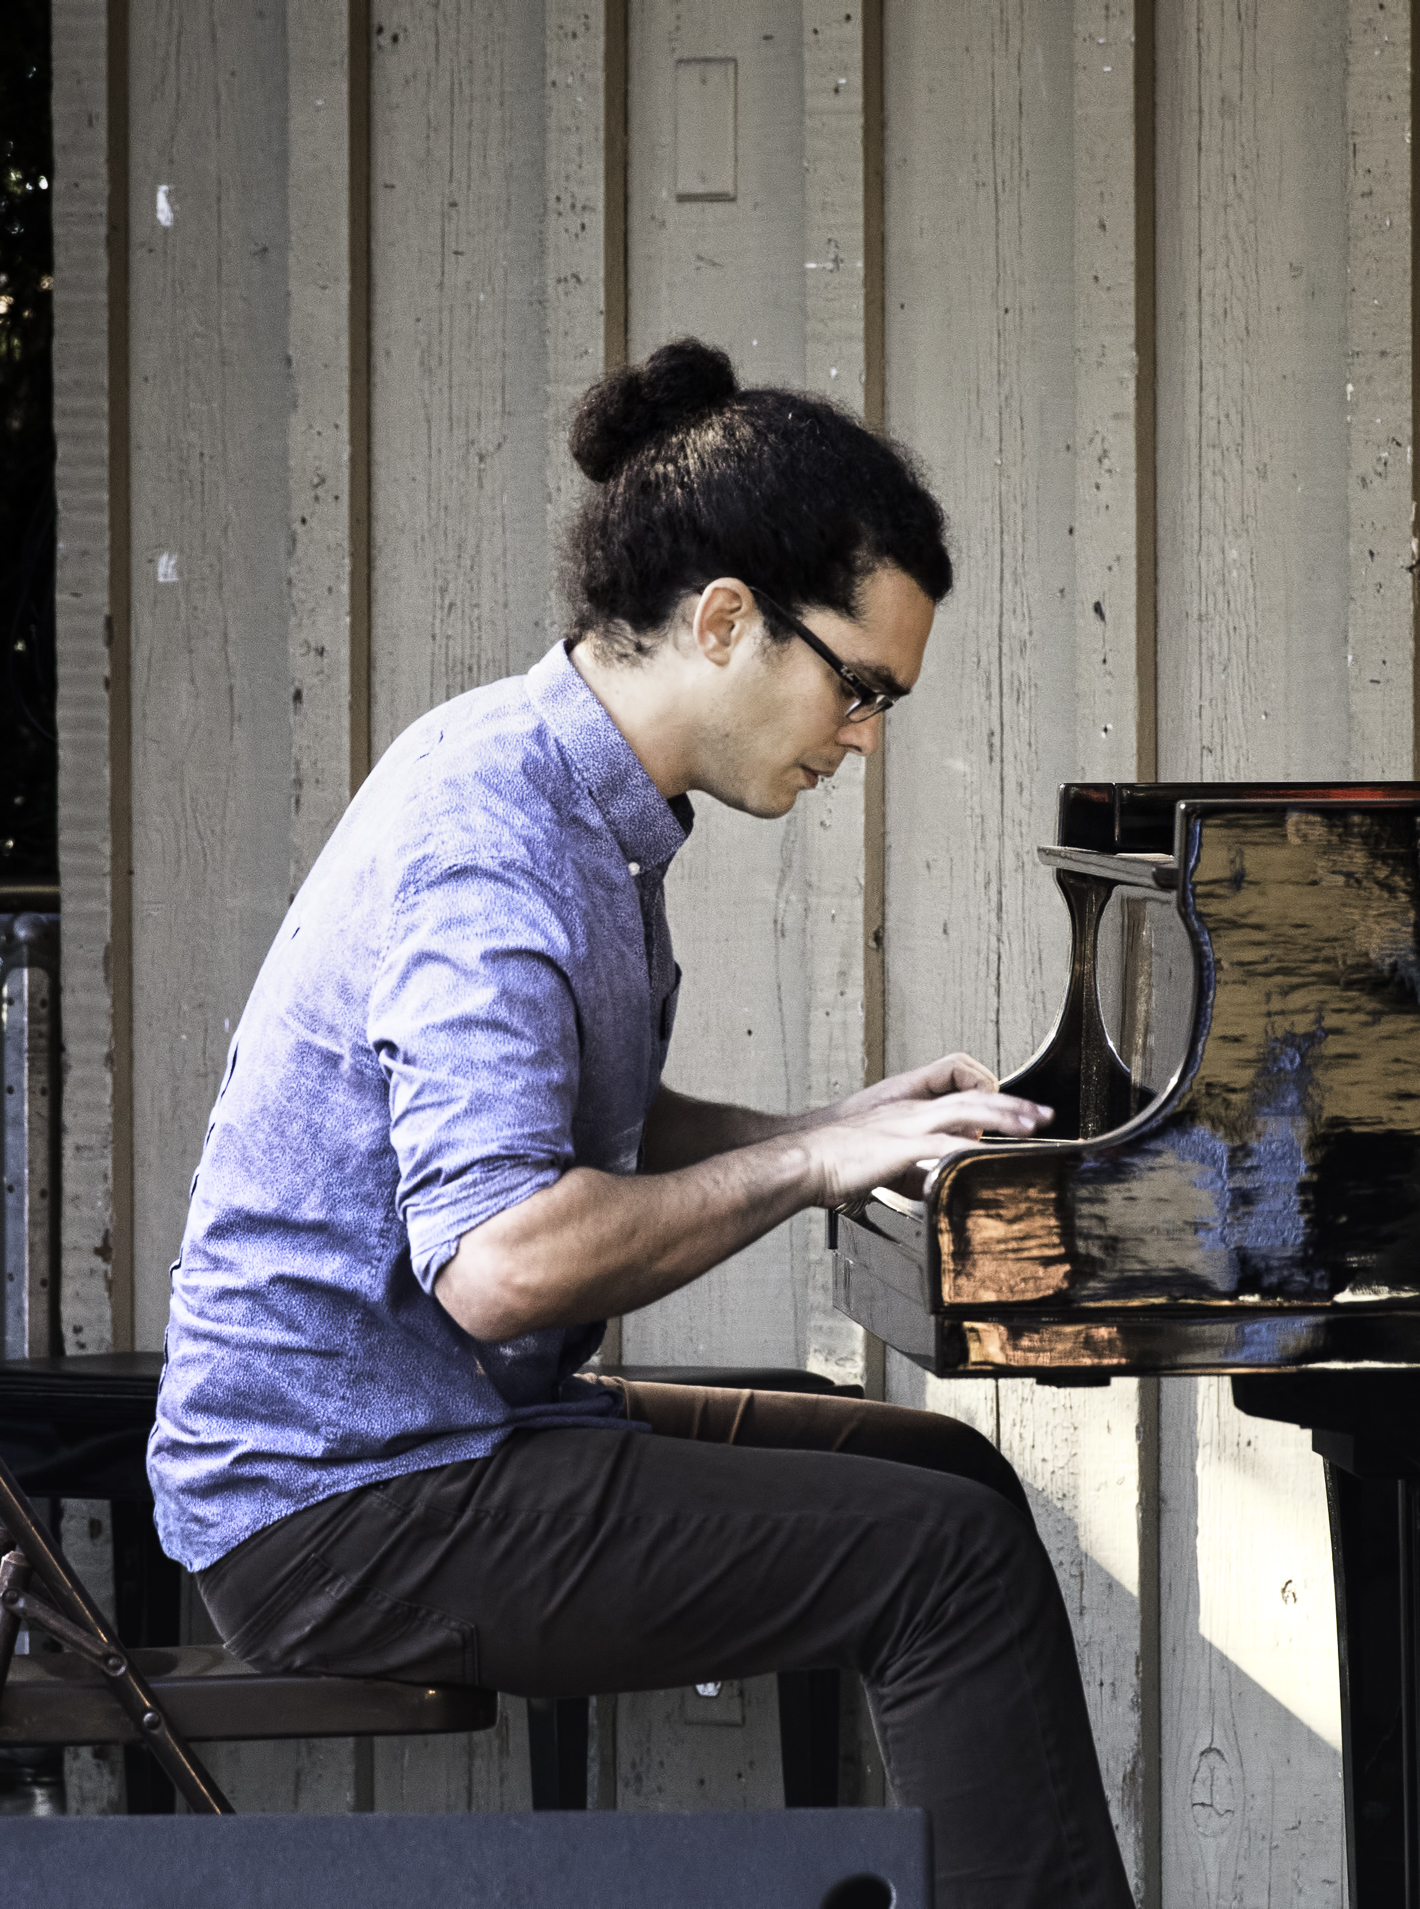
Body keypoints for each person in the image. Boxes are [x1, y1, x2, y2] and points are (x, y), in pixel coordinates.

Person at [148, 338, 1135, 1909]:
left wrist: (829, 1119)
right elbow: (501, 1258)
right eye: (859, 686)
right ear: (727, 618)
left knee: (958, 1490)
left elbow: (566, 1120)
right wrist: (811, 1163)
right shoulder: (495, 839)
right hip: (348, 1504)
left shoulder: (563, 791)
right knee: (945, 1565)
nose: (867, 735)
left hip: (440, 1433)